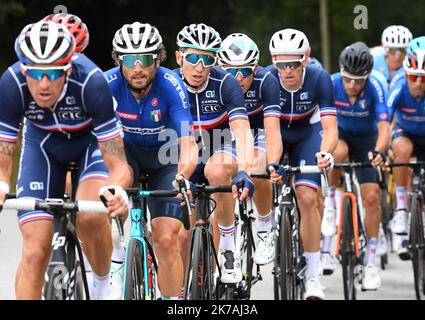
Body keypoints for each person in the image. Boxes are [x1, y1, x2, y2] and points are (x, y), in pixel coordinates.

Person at [0, 20, 131, 299]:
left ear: (68, 69)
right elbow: (3, 160)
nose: (44, 84)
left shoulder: (91, 82)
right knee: (35, 252)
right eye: (35, 73)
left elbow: (118, 164)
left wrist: (116, 188)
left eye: (54, 73)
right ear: (24, 69)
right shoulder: (11, 84)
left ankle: (101, 284)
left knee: (91, 217)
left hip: (90, 145)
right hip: (43, 147)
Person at [104, 22, 198, 300]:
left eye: (145, 59)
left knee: (166, 240)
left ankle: (172, 301)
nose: (138, 68)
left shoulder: (171, 85)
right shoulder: (106, 84)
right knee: (110, 186)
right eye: (130, 60)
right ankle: (118, 254)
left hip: (164, 160)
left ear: (157, 59)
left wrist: (183, 175)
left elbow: (188, 144)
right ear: (118, 60)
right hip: (126, 156)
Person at [174, 23, 255, 284]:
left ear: (214, 61)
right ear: (179, 57)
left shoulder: (226, 83)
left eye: (207, 59)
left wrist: (244, 170)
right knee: (182, 237)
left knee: (217, 170)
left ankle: (228, 243)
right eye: (192, 57)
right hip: (181, 152)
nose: (199, 66)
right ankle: (185, 290)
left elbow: (242, 131)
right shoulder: (169, 82)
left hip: (220, 145)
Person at [266, 28, 338, 299]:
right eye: (281, 64)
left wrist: (327, 153)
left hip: (308, 135)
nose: (287, 70)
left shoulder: (320, 79)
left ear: (305, 60)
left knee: (307, 197)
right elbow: (266, 130)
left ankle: (313, 274)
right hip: (276, 133)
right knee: (262, 174)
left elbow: (330, 128)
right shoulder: (267, 79)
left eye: (293, 64)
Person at [323, 42, 390, 290]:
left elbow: (384, 127)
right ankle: (331, 202)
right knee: (337, 151)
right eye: (348, 79)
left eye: (358, 81)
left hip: (366, 141)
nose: (352, 85)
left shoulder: (375, 87)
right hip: (338, 136)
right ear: (341, 71)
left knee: (371, 197)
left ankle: (371, 260)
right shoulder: (330, 83)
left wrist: (380, 151)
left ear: (367, 76)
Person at [217, 33, 282, 266]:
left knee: (255, 165)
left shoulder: (267, 81)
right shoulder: (215, 81)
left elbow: (273, 130)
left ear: (254, 68)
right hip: (227, 136)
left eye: (244, 71)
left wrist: (273, 162)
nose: (237, 78)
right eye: (230, 71)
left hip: (258, 133)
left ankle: (264, 226)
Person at [387, 36, 425, 259]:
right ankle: (401, 208)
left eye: (423, 78)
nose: (418, 84)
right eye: (413, 77)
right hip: (406, 134)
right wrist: (381, 149)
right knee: (401, 148)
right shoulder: (398, 86)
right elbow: (384, 120)